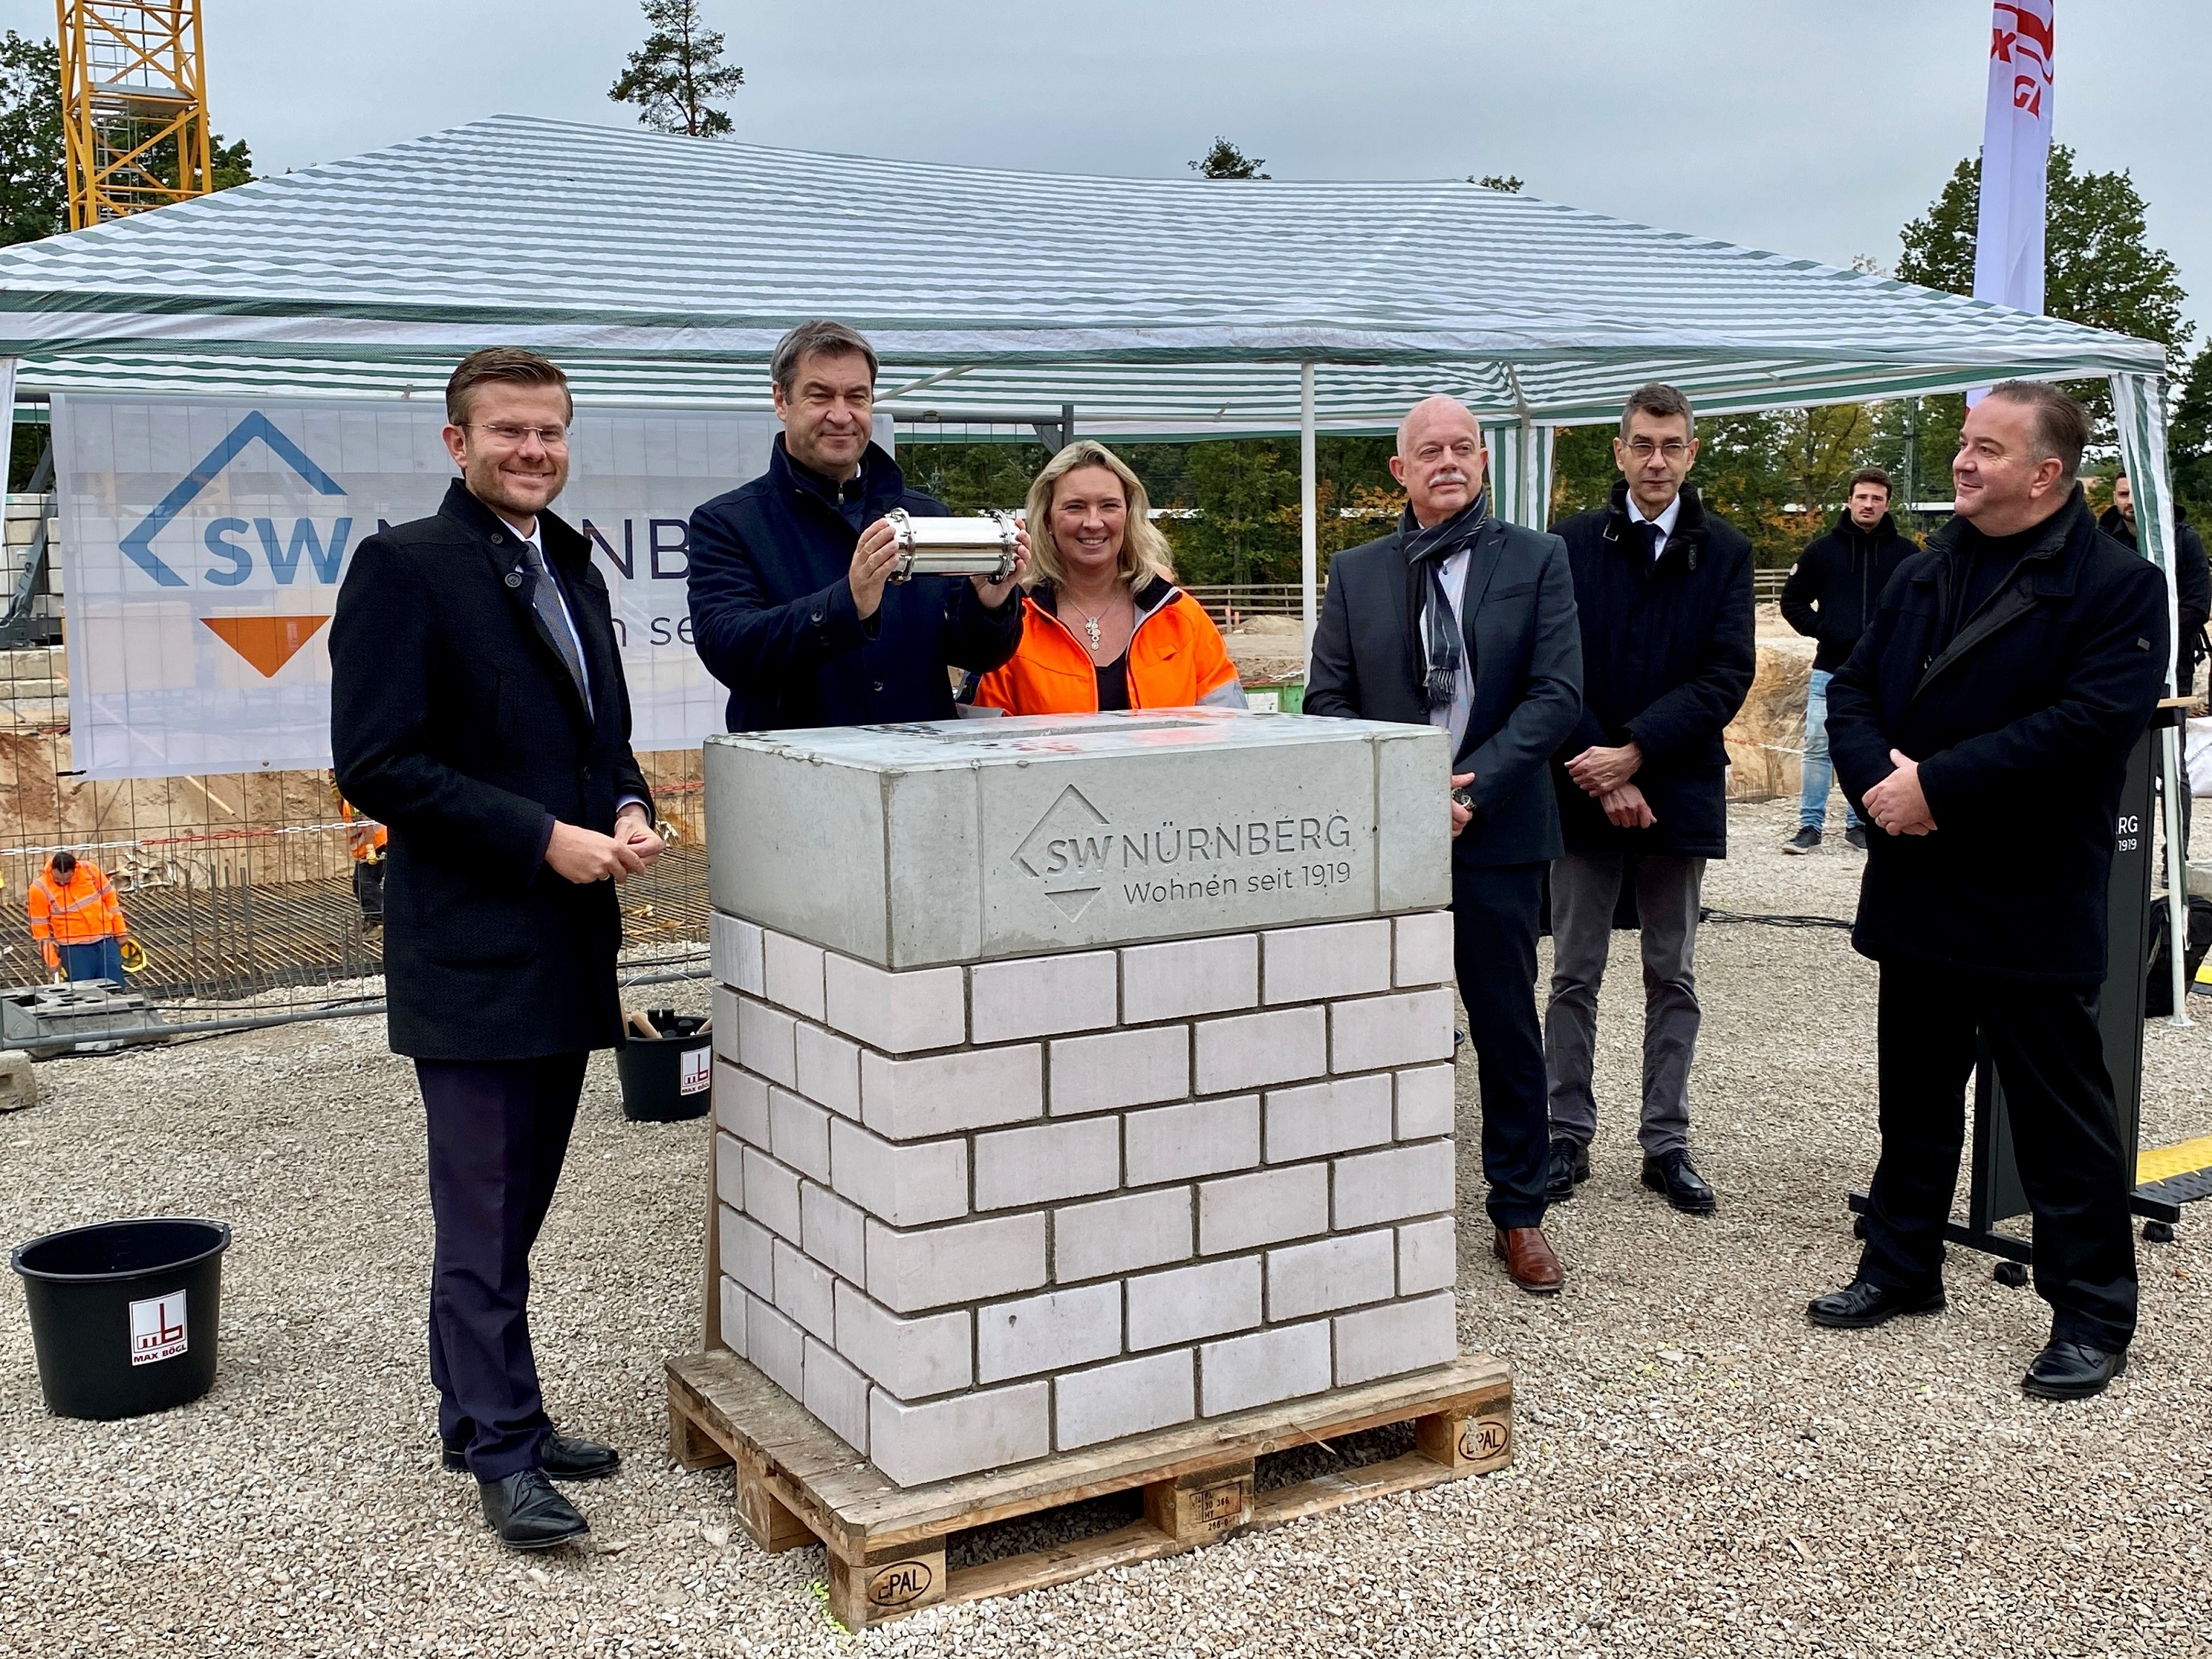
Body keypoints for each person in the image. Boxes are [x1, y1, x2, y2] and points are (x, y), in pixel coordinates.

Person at [331, 347, 662, 1549]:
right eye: (509, 430)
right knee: (480, 1214)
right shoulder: (406, 567)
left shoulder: (569, 563)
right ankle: (507, 1452)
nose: (533, 449)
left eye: (550, 430)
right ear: (456, 441)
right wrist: (541, 838)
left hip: (565, 944)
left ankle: (475, 1409)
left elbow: (601, 737)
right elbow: (378, 762)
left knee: (513, 1208)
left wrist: (624, 803)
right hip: (471, 951)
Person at [1813, 382, 2167, 1401]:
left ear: (2045, 474)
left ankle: (2091, 1312)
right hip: (1920, 876)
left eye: (1986, 448)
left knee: (2060, 1118)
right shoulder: (1928, 568)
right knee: (1914, 1094)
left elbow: (2088, 726)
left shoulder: (2117, 585)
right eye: (1965, 443)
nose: (1962, 462)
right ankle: (1900, 1263)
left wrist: (1936, 787)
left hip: (2027, 889)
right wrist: (1880, 788)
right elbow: (1855, 689)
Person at [1306, 396, 1583, 1293]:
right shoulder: (1355, 572)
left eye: (1463, 447)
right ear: (1400, 470)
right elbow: (1327, 701)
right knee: (1378, 1016)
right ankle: (1371, 1200)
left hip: (1498, 830)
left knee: (1504, 1023)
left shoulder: (1534, 559)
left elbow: (1556, 693)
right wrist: (1409, 791)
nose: (1448, 462)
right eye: (1429, 451)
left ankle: (1518, 1210)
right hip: (1390, 836)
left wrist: (1469, 788)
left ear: (1483, 462)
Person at [1544, 383, 1755, 1217]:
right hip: (1581, 780)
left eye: (1670, 445)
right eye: (1642, 444)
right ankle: (1565, 1131)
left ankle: (1664, 1141)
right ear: (1619, 450)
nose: (1656, 460)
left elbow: (1725, 673)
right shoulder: (1568, 546)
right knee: (1573, 969)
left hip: (1676, 785)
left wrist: (1635, 752)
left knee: (1672, 971)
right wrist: (1601, 764)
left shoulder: (1724, 552)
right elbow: (1551, 666)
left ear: (1690, 452)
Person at [686, 319, 1028, 731]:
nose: (841, 415)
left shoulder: (928, 516)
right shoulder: (727, 523)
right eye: (820, 396)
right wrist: (846, 606)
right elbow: (728, 650)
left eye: (856, 397)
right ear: (781, 401)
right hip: (795, 765)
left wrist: (989, 604)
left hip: (917, 761)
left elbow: (980, 656)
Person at [968, 440, 1243, 715]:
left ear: (1129, 514)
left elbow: (1231, 728)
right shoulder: (1010, 624)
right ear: (1048, 520)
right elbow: (985, 736)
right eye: (1075, 507)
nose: (1093, 522)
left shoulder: (1182, 617)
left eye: (1109, 506)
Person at [1778, 466, 1918, 854]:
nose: (1868, 504)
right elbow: (1792, 602)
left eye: (1877, 498)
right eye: (1862, 497)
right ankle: (1810, 826)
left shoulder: (1908, 556)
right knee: (1818, 746)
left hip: (1884, 675)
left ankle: (1860, 824)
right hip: (1831, 668)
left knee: (1873, 748)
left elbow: (1923, 609)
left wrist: (1899, 645)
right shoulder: (1821, 552)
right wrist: (1827, 630)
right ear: (1850, 501)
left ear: (1887, 504)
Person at [2100, 472, 2211, 699]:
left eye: (2138, 494)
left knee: (2169, 720)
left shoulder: (2184, 540)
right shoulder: (2101, 542)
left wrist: (2151, 635)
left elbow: (2197, 605)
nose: (2131, 501)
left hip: (2174, 659)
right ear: (2114, 497)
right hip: (2113, 661)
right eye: (2124, 494)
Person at [27, 849, 128, 984]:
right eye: (57, 880)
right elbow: (40, 930)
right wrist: (52, 961)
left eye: (67, 880)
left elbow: (111, 901)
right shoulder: (39, 889)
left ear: (74, 870)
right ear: (52, 870)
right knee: (83, 990)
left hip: (105, 940)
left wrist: (121, 932)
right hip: (74, 949)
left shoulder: (90, 870)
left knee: (114, 986)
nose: (62, 883)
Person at [336, 784, 388, 926]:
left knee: (366, 883)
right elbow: (347, 816)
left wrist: (370, 848)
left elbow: (366, 820)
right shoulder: (346, 796)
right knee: (360, 883)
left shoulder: (353, 793)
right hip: (368, 845)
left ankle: (378, 921)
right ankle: (374, 919)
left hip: (376, 843)